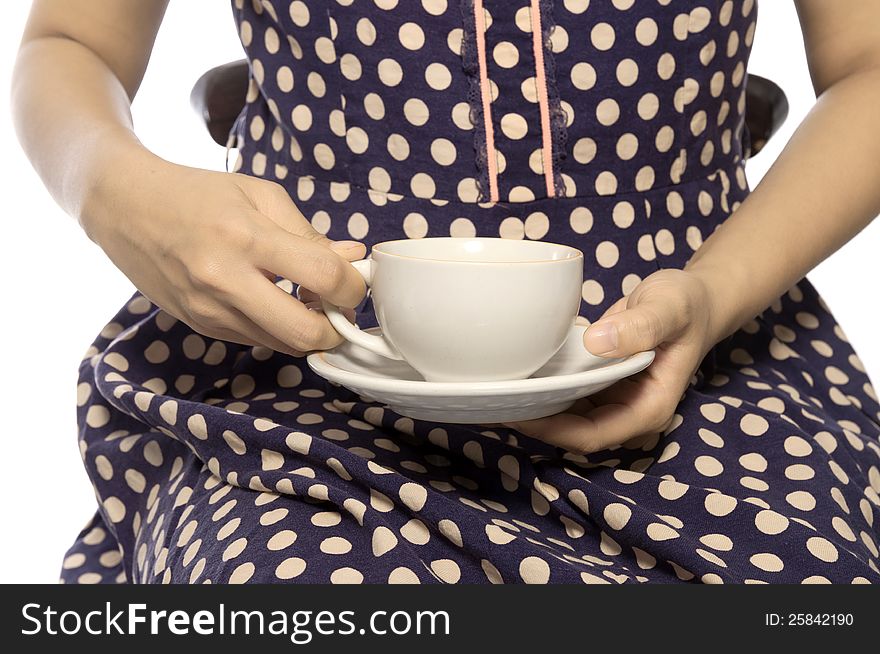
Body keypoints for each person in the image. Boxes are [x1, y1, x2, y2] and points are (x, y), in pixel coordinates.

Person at [13, 0, 880, 584]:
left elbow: (868, 63)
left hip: (711, 347)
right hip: (294, 359)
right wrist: (115, 191)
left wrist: (712, 294)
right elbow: (71, 42)